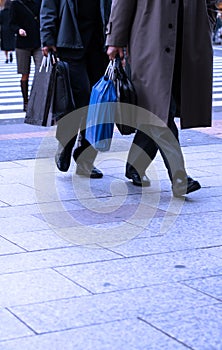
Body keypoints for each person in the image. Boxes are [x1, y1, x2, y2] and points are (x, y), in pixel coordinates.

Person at [106, 0, 217, 197]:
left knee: (161, 108)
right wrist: (115, 39)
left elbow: (210, 3)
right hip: (150, 41)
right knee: (160, 111)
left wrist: (207, 22)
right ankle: (179, 177)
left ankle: (135, 165)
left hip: (188, 42)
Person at [40, 0, 112, 178]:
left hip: (99, 46)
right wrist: (47, 37)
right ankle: (65, 144)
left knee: (97, 104)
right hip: (69, 46)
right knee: (77, 102)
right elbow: (49, 7)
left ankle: (85, 159)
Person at [9, 0, 42, 111]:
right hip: (22, 44)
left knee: (41, 72)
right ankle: (26, 101)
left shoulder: (38, 2)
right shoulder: (16, 4)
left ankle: (38, 100)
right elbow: (11, 23)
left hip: (38, 42)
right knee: (25, 74)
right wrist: (18, 30)